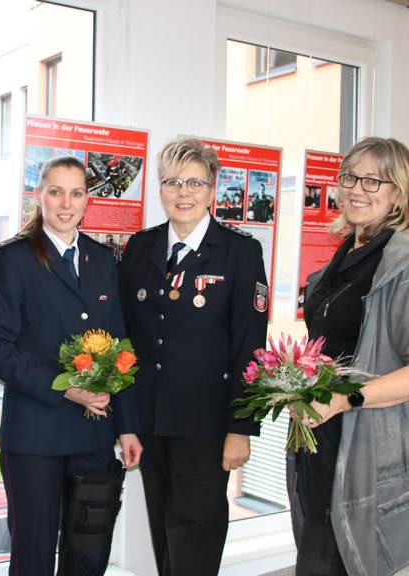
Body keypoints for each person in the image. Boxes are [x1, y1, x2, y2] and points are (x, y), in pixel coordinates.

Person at [0, 156, 142, 576]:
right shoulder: (13, 259)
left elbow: (120, 346)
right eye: (55, 191)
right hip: (35, 438)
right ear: (39, 195)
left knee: (87, 555)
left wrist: (126, 425)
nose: (65, 204)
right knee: (33, 558)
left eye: (76, 193)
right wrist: (63, 386)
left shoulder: (102, 261)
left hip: (93, 435)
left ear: (88, 200)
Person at [119, 137, 268, 576]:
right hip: (151, 423)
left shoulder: (240, 252)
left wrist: (241, 428)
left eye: (194, 183)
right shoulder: (140, 249)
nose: (183, 193)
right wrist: (126, 421)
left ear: (212, 189)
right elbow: (128, 339)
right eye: (172, 182)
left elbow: (250, 347)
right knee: (164, 534)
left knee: (195, 540)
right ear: (160, 188)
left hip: (207, 427)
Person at [287, 136, 409, 576]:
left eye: (373, 180)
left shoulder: (402, 265)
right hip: (321, 446)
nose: (357, 189)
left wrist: (344, 399)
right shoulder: (335, 265)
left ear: (397, 190)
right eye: (350, 177)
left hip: (368, 452)